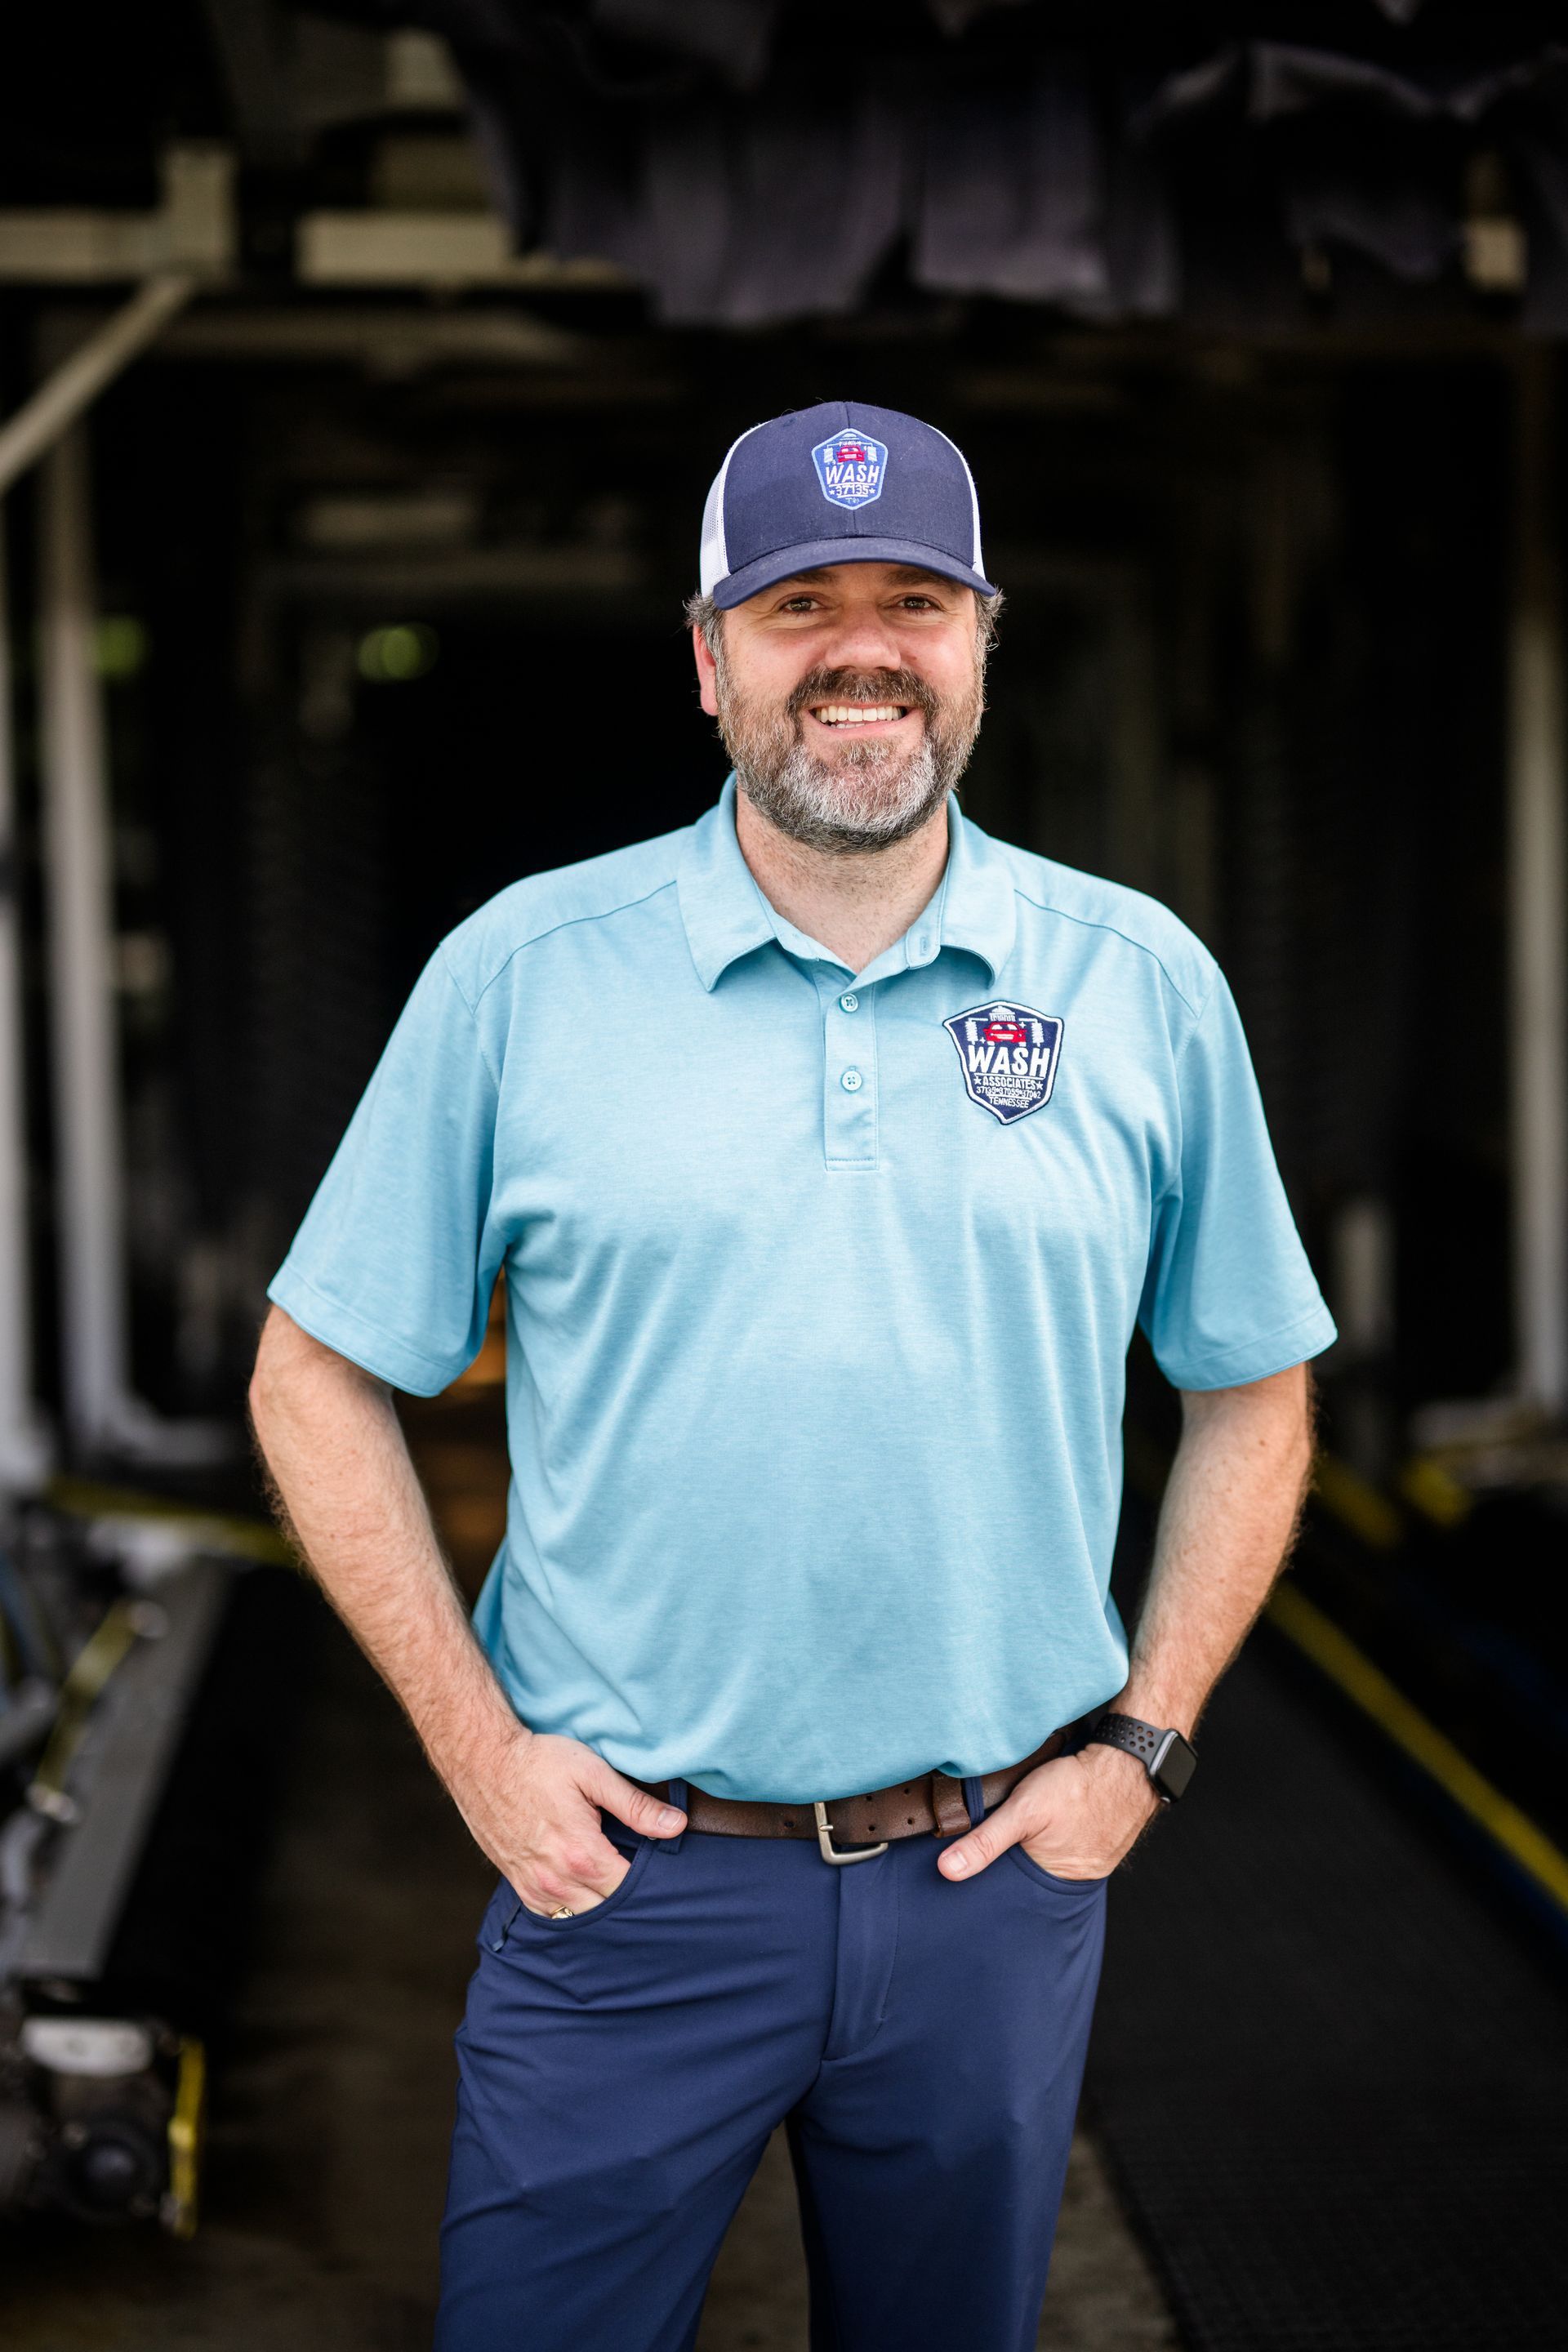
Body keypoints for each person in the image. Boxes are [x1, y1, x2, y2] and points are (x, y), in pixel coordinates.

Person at [249, 400, 1334, 2352]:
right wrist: (479, 1756)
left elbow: (1254, 1380)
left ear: (985, 642)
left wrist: (1146, 1751)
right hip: (632, 1896)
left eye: (913, 600)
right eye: (796, 604)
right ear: (705, 656)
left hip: (995, 1887)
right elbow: (312, 1373)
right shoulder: (527, 973)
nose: (862, 650)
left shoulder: (1139, 982)